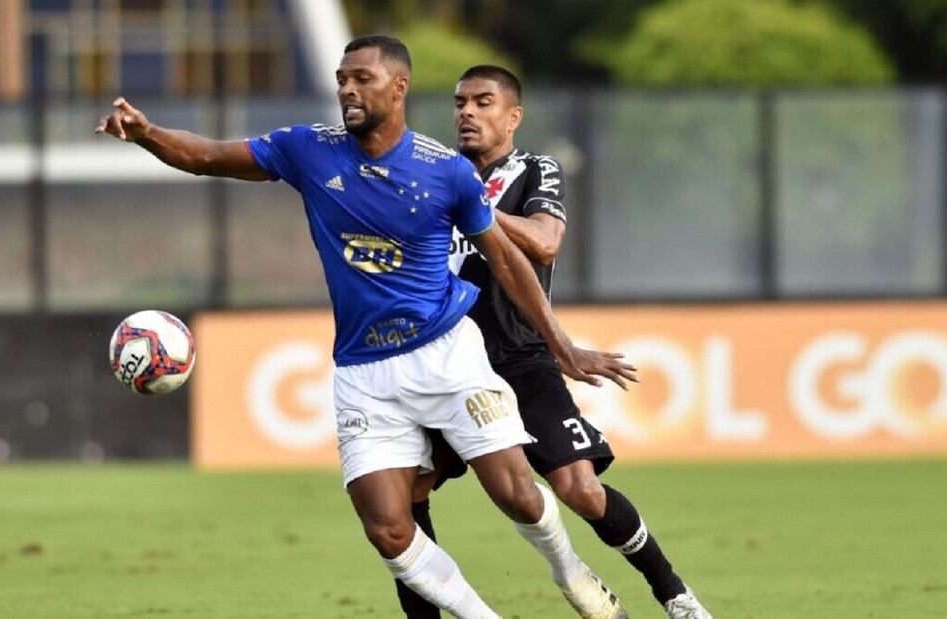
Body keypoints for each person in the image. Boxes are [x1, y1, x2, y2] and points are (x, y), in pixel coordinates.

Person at [96, 36, 633, 619]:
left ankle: (570, 570)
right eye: (341, 80)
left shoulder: (445, 171)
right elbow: (207, 156)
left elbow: (506, 260)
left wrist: (562, 346)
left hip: (446, 353)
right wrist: (148, 133)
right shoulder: (308, 149)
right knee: (389, 531)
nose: (347, 90)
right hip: (363, 371)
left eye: (361, 79)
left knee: (519, 497)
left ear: (398, 87)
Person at [392, 65, 714, 619]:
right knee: (405, 495)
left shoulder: (533, 169)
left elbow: (544, 241)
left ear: (513, 116)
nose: (467, 112)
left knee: (579, 489)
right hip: (441, 360)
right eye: (460, 102)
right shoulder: (433, 174)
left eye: (483, 102)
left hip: (520, 358)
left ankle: (675, 596)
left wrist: (472, 207)